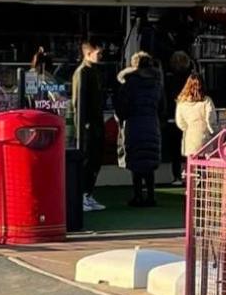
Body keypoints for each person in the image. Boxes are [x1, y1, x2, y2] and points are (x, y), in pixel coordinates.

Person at [114, 51, 164, 207]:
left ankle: (137, 195)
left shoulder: (129, 83)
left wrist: (121, 119)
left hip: (134, 124)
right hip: (151, 123)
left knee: (136, 160)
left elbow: (121, 106)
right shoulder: (157, 83)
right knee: (149, 160)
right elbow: (163, 107)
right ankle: (150, 195)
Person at [72, 39, 105, 211]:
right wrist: (82, 125)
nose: (100, 57)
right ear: (88, 53)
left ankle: (88, 193)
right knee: (86, 160)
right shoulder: (82, 72)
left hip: (97, 122)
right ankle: (82, 195)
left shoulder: (95, 72)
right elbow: (78, 102)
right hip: (87, 125)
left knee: (95, 160)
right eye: (98, 53)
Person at [174, 73, 217, 174]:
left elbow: (180, 122)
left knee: (192, 166)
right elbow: (211, 118)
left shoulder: (181, 102)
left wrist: (188, 129)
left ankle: (191, 187)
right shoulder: (206, 100)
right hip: (204, 136)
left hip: (190, 136)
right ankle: (201, 185)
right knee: (203, 166)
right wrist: (212, 131)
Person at [164, 51, 193, 183]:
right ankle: (189, 174)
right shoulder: (192, 78)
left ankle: (177, 175)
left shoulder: (169, 78)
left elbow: (167, 97)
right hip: (189, 117)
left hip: (173, 116)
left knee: (175, 148)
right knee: (189, 148)